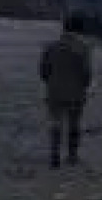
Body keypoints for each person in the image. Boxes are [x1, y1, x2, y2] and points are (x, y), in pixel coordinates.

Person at [39, 15, 94, 168]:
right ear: (79, 29)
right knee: (74, 124)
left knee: (56, 122)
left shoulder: (51, 46)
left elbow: (43, 70)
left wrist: (50, 82)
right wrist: (85, 85)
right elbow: (86, 73)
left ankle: (55, 154)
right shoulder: (84, 48)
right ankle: (72, 155)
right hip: (76, 91)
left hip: (54, 90)